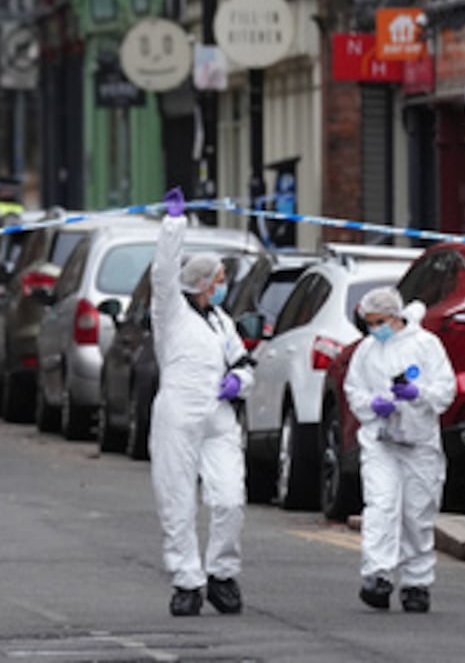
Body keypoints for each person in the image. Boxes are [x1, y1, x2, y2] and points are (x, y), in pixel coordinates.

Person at [149, 186, 255, 617]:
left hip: (218, 416)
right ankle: (187, 580)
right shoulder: (170, 312)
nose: (224, 287)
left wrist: (238, 381)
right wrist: (174, 225)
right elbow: (162, 272)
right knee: (176, 498)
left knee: (230, 496)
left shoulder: (220, 321)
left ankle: (222, 573)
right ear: (204, 283)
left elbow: (244, 363)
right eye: (220, 281)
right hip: (177, 414)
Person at [343, 286, 457, 614]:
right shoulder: (367, 350)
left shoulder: (426, 346)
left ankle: (416, 582)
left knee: (417, 514)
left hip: (419, 444)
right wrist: (371, 405)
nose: (372, 329)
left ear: (394, 317)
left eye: (377, 321)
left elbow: (445, 391)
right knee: (381, 506)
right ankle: (376, 576)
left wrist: (416, 394)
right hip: (380, 442)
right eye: (368, 323)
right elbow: (354, 390)